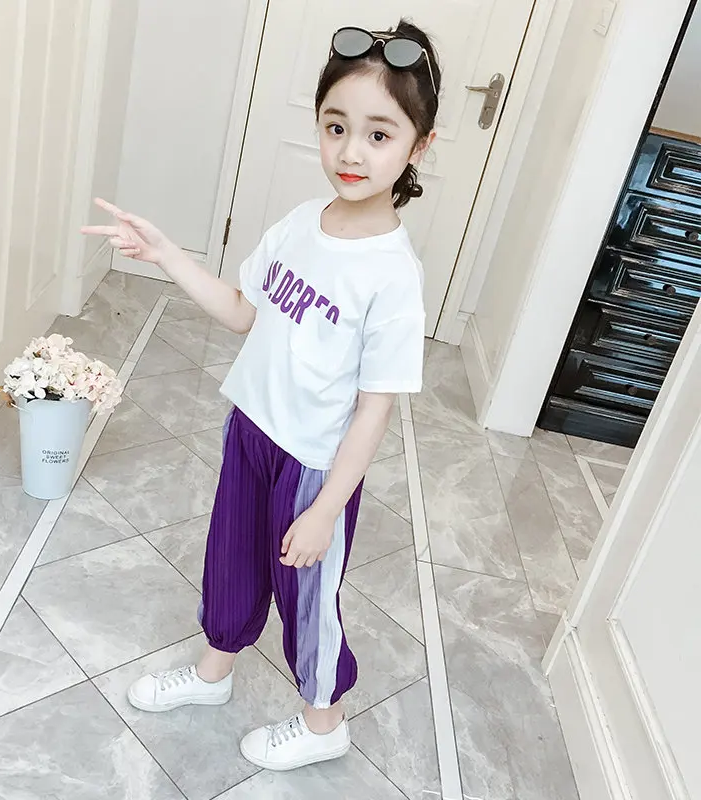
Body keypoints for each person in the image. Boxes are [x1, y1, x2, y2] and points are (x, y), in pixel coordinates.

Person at [82, 18, 441, 772]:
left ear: (419, 146)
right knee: (232, 562)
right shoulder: (300, 224)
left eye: (379, 135)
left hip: (312, 466)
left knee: (306, 598)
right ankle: (213, 673)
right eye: (336, 126)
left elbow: (375, 409)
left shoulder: (392, 276)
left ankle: (323, 723)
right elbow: (244, 311)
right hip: (251, 431)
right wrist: (166, 254)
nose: (351, 152)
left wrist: (325, 510)